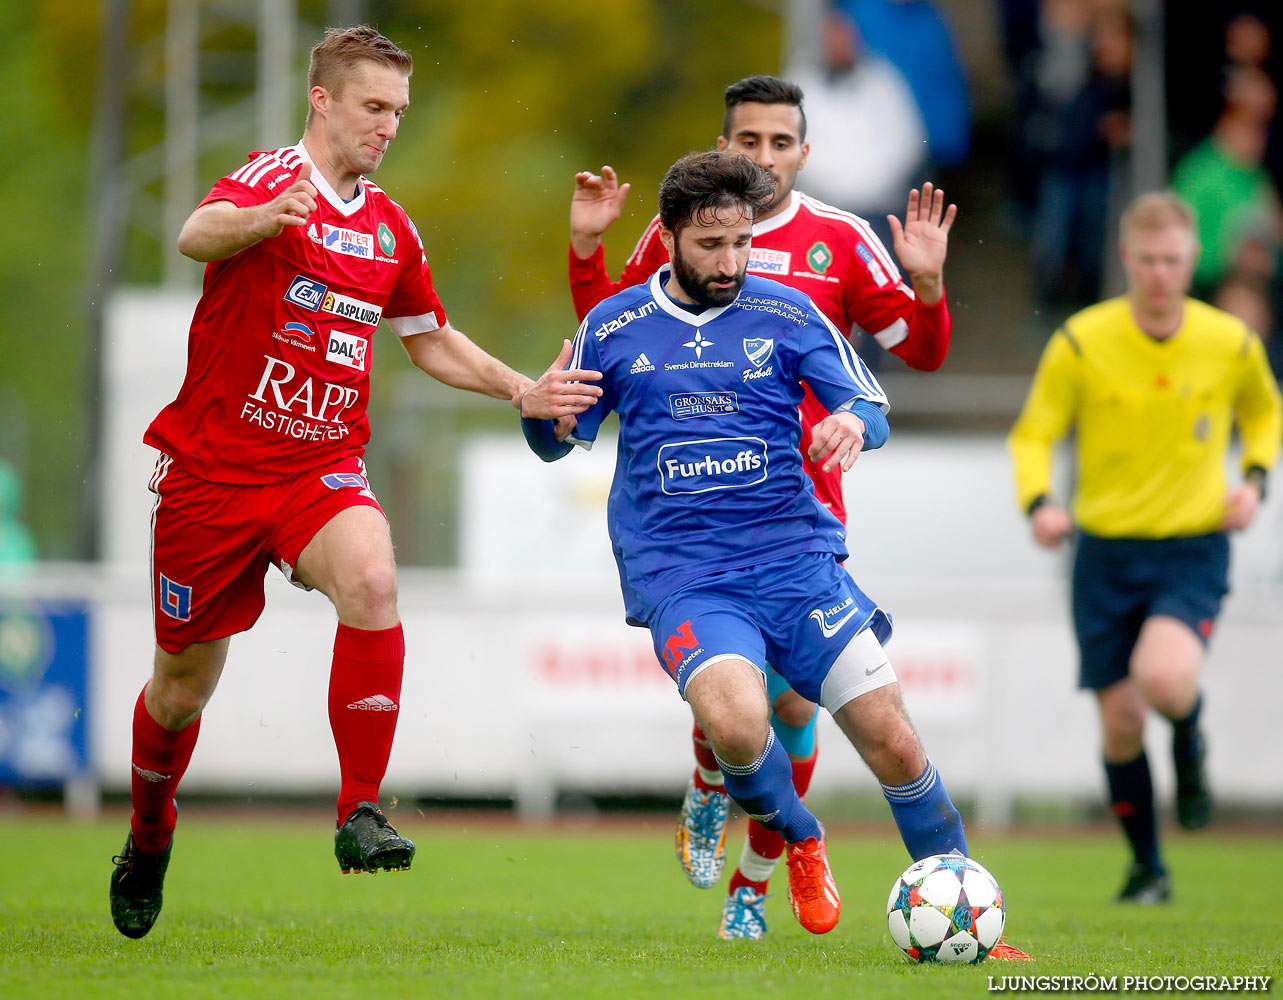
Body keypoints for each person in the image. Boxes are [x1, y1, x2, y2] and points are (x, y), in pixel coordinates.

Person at [108, 25, 601, 940]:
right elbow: (193, 232)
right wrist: (264, 222)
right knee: (179, 691)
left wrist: (521, 389)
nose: (388, 127)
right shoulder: (266, 181)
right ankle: (147, 833)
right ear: (322, 100)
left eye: (399, 113)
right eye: (373, 108)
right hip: (212, 477)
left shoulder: (389, 226)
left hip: (316, 468)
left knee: (374, 577)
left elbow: (430, 338)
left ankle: (360, 810)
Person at [526, 149, 999, 952]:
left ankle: (968, 912)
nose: (730, 262)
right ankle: (803, 838)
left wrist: (852, 422)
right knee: (741, 727)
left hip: (793, 559)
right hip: (684, 576)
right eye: (711, 245)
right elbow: (554, 440)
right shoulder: (613, 324)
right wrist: (543, 413)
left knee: (894, 739)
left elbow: (868, 403)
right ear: (670, 236)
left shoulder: (784, 313)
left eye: (742, 243)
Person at [1008, 192, 1282, 904]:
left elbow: (1263, 410)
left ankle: (1188, 739)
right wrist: (1038, 503)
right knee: (1121, 721)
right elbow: (1033, 431)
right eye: (1148, 260)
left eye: (1173, 260)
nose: (1160, 274)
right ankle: (1146, 869)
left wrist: (1254, 481)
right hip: (1101, 552)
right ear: (1127, 258)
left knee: (1162, 680)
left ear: (1192, 260)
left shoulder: (1228, 342)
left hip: (1190, 545)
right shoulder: (1081, 340)